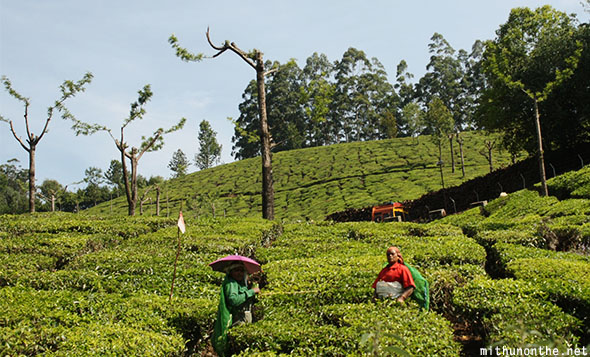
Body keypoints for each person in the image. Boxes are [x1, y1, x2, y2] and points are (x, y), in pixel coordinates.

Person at [212, 262, 260, 356]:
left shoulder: (240, 283)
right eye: (236, 270)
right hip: (238, 319)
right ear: (231, 272)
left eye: (241, 271)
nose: (239, 273)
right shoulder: (231, 284)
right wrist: (251, 292)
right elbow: (233, 300)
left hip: (244, 318)